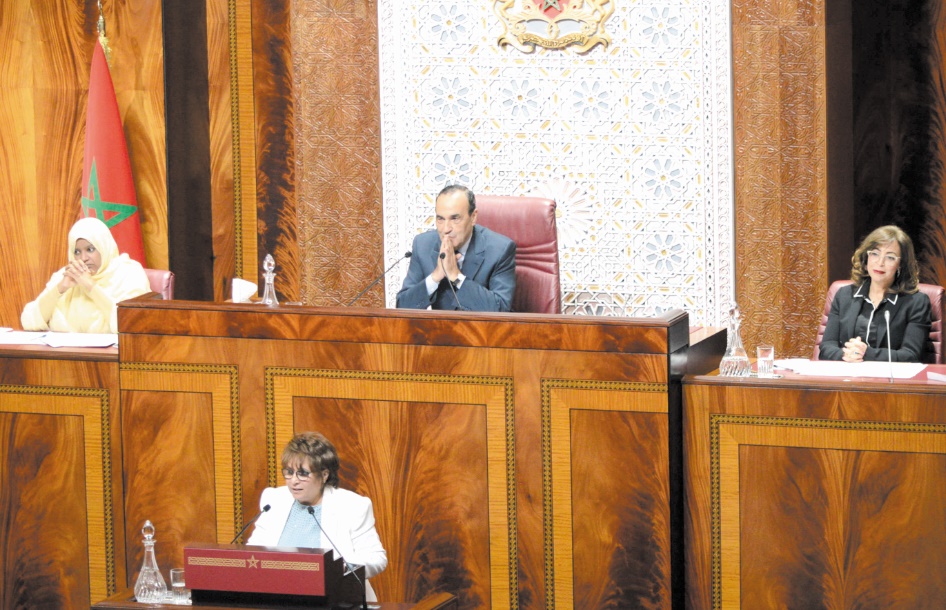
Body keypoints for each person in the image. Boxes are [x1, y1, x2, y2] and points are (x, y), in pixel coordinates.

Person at [246, 432, 387, 602]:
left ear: (324, 475)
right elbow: (253, 552)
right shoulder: (274, 499)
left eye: (303, 473)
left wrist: (337, 569)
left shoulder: (352, 506)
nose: (293, 481)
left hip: (337, 600)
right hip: (279, 598)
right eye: (289, 472)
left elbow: (376, 558)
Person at [820, 225, 931, 362]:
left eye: (890, 257)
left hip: (890, 380)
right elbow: (826, 347)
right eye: (874, 253)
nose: (880, 262)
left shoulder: (916, 302)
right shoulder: (844, 295)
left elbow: (911, 355)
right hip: (848, 377)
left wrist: (866, 353)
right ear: (866, 258)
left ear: (900, 265)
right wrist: (846, 355)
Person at [20, 217, 151, 333]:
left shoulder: (129, 272)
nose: (83, 258)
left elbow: (130, 324)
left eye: (90, 249)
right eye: (77, 252)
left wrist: (90, 286)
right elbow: (28, 321)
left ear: (104, 246)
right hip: (66, 357)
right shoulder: (66, 276)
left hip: (114, 358)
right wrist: (60, 289)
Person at [397, 185, 516, 311]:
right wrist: (435, 276)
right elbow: (403, 306)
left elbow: (501, 309)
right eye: (440, 219)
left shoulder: (500, 249)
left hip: (480, 330)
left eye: (455, 218)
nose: (446, 229)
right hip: (438, 329)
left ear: (473, 217)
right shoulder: (423, 244)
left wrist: (456, 276)